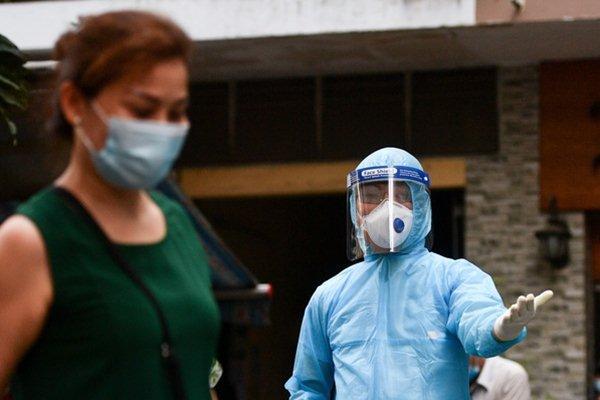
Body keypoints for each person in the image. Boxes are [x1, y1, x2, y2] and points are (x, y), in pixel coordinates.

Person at [0, 11, 220, 400]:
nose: (162, 128)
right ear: (74, 103)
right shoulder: (30, 241)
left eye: (176, 112)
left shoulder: (177, 224)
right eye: (142, 110)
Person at [285, 147, 553, 399]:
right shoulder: (330, 296)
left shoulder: (452, 278)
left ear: (421, 205)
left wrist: (498, 328)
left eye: (401, 195)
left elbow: (475, 316)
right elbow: (307, 386)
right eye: (371, 196)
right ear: (355, 206)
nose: (387, 207)